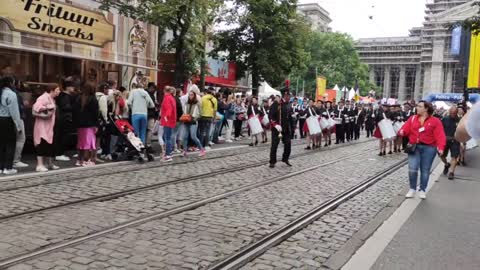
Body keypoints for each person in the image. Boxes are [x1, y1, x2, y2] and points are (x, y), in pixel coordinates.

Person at [399, 101, 446, 200]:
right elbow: (405, 129)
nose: (417, 108)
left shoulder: (435, 121)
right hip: (414, 147)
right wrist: (402, 132)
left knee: (425, 170)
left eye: (420, 106)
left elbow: (440, 135)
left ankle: (422, 189)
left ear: (426, 109)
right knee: (412, 168)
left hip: (429, 148)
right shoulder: (412, 118)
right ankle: (412, 189)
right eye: (417, 106)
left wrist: (441, 147)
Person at [32, 84, 61, 172]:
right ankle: (39, 165)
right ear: (52, 90)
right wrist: (45, 113)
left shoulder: (51, 98)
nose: (59, 91)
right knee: (42, 144)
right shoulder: (43, 98)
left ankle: (49, 163)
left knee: (49, 145)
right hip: (42, 126)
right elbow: (35, 109)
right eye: (57, 89)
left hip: (49, 126)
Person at [73, 84, 99, 166]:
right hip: (90, 124)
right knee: (89, 143)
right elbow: (95, 114)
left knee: (80, 143)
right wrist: (96, 124)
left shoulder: (78, 98)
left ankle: (79, 160)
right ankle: (87, 160)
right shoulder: (93, 99)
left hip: (80, 124)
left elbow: (74, 111)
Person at [0, 76, 22, 175]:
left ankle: (0, 167)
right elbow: (14, 112)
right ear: (10, 83)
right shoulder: (11, 94)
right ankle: (8, 167)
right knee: (10, 144)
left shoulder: (1, 92)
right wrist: (18, 126)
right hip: (7, 120)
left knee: (1, 145)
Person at [269, 87, 292, 168]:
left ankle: (285, 158)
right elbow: (271, 116)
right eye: (288, 95)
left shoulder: (289, 104)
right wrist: (275, 125)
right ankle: (272, 161)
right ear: (285, 95)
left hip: (285, 129)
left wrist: (292, 128)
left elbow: (290, 117)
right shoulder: (276, 104)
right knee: (274, 145)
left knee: (288, 144)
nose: (289, 97)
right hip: (277, 129)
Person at [54, 78, 77, 162]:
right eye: (72, 86)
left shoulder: (65, 96)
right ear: (68, 87)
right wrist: (74, 107)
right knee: (62, 136)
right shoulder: (64, 96)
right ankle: (59, 153)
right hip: (64, 118)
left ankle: (60, 153)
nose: (74, 88)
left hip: (64, 118)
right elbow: (66, 107)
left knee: (63, 136)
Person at [181, 91, 206, 157]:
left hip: (193, 122)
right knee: (185, 137)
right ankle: (184, 151)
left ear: (194, 95)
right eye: (189, 95)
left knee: (193, 136)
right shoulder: (186, 103)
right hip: (186, 121)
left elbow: (201, 113)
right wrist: (184, 116)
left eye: (191, 95)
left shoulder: (198, 103)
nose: (190, 96)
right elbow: (184, 111)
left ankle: (202, 149)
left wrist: (195, 118)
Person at [440, 106, 461, 180]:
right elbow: (440, 130)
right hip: (445, 140)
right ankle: (446, 164)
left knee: (454, 157)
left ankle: (451, 172)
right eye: (451, 113)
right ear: (449, 112)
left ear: (457, 113)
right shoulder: (445, 119)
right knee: (441, 155)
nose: (453, 114)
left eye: (454, 113)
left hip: (455, 140)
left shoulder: (460, 120)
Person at [12, 79, 28, 168]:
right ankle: (16, 160)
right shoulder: (15, 93)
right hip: (17, 117)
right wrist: (23, 105)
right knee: (21, 138)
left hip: (7, 118)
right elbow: (17, 107)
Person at [160, 86, 177, 162]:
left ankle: (168, 155)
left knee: (167, 138)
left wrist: (166, 118)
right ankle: (168, 153)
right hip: (171, 120)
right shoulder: (172, 98)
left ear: (164, 90)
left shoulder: (167, 98)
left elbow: (168, 109)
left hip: (168, 121)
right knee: (167, 137)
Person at [145, 82, 159, 153]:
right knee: (150, 130)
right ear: (150, 87)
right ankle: (148, 145)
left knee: (145, 130)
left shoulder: (145, 93)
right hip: (150, 114)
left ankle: (144, 144)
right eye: (154, 88)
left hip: (146, 114)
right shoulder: (149, 94)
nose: (154, 90)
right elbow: (151, 105)